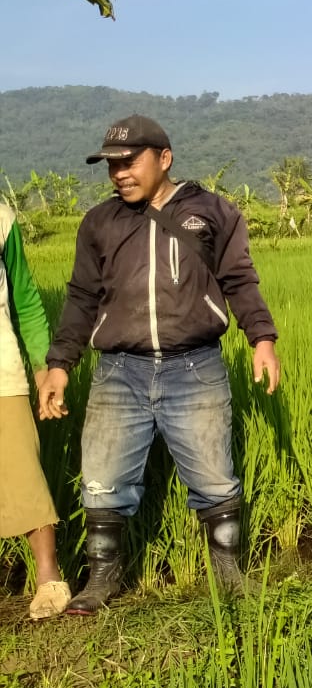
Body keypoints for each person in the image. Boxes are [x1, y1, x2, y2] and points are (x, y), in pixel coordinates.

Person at [38, 115, 281, 613]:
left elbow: (239, 278)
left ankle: (230, 573)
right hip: (118, 372)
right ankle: (103, 579)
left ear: (164, 158)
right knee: (102, 478)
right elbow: (82, 298)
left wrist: (261, 337)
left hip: (194, 367)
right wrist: (60, 363)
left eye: (129, 162)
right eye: (111, 166)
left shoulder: (211, 212)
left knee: (214, 474)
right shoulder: (99, 223)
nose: (119, 173)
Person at [1, 202, 70, 620]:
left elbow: (25, 298)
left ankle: (49, 579)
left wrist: (44, 368)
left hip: (1, 370)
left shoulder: (1, 217)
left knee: (23, 469)